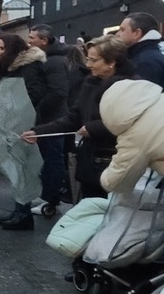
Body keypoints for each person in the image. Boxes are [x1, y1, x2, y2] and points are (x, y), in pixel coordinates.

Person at [22, 35, 136, 199]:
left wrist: (93, 128)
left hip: (115, 162)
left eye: (94, 60)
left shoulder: (130, 87)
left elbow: (129, 121)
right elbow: (74, 117)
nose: (88, 65)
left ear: (111, 62)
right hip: (90, 160)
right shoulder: (90, 82)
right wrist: (38, 132)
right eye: (88, 59)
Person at [0, 34, 47, 231]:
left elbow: (34, 94)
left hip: (24, 124)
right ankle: (19, 209)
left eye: (2, 49)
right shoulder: (12, 67)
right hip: (13, 123)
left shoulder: (29, 67)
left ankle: (23, 213)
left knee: (23, 168)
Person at [26, 24, 72, 215]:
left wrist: (38, 109)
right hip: (45, 117)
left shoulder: (54, 62)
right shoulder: (44, 59)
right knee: (46, 158)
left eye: (32, 38)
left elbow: (58, 92)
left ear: (44, 41)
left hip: (52, 119)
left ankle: (50, 198)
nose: (29, 42)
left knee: (53, 159)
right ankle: (46, 194)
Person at [117, 12, 164, 88]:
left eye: (122, 30)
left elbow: (141, 97)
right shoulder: (148, 56)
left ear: (137, 33)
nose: (117, 34)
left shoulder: (145, 62)